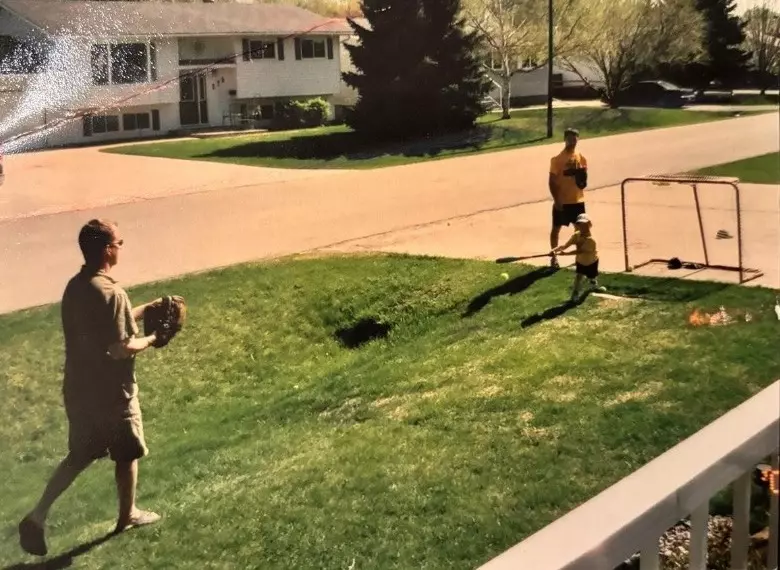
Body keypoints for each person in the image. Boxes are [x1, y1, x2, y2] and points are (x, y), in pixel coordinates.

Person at [18, 219, 163, 557]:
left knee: (80, 454)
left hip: (79, 390)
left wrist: (146, 309)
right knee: (127, 452)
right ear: (107, 250)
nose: (120, 248)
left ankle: (37, 515)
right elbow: (120, 348)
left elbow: (108, 325)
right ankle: (127, 515)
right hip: (112, 393)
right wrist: (153, 338)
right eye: (118, 243)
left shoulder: (77, 286)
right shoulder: (111, 293)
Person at [548, 127, 588, 269]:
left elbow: (583, 180)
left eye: (575, 139)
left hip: (578, 201)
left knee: (580, 231)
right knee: (556, 230)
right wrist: (557, 200)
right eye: (570, 139)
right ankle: (554, 258)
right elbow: (551, 182)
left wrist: (582, 180)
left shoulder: (581, 157)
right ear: (565, 139)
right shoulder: (557, 160)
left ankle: (579, 257)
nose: (572, 141)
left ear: (578, 139)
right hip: (562, 202)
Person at [550, 213, 606, 302]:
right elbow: (565, 246)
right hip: (580, 261)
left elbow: (580, 251)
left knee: (592, 275)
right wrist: (554, 250)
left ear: (589, 224)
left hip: (592, 261)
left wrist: (565, 254)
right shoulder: (577, 235)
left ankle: (594, 285)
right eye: (580, 224)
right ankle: (575, 294)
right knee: (579, 277)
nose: (582, 226)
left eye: (585, 224)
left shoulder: (591, 239)